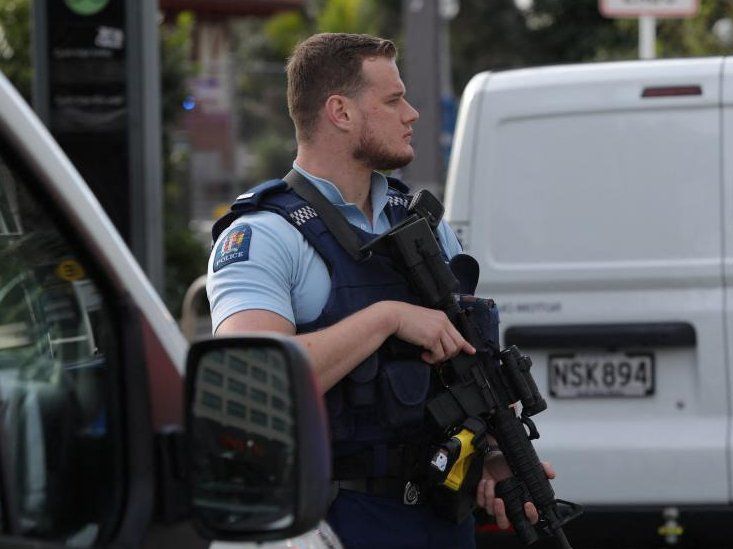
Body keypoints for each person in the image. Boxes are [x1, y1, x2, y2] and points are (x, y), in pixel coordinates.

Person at [207, 33, 554, 548]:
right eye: (393, 100)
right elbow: (255, 383)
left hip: (442, 516)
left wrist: (498, 461)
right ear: (341, 112)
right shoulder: (263, 235)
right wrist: (386, 318)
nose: (412, 113)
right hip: (336, 522)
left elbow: (468, 364)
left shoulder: (421, 225)